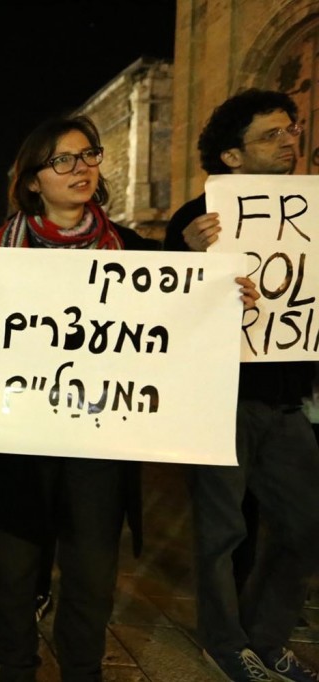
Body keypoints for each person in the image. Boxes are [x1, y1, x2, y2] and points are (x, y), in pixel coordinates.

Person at [0, 114, 257, 682]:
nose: (81, 168)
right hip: (14, 453)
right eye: (62, 160)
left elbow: (180, 317)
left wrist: (221, 294)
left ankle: (82, 669)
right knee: (16, 575)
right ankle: (15, 667)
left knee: (93, 578)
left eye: (88, 155)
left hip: (98, 454)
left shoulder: (137, 255)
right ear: (32, 181)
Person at [163, 88, 319, 682]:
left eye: (292, 130)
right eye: (272, 135)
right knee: (222, 531)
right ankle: (225, 643)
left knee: (305, 523)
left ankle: (267, 635)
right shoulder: (194, 219)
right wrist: (190, 257)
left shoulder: (310, 215)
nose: (289, 142)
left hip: (284, 401)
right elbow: (164, 307)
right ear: (231, 157)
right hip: (218, 400)